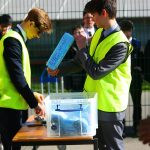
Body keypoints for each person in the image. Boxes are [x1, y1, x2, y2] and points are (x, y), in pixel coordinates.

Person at [47, 0, 133, 149]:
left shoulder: (121, 44)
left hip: (110, 106)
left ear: (104, 13)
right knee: (99, 146)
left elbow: (96, 72)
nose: (91, 19)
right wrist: (58, 70)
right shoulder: (99, 33)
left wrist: (81, 48)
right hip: (93, 102)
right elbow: (81, 62)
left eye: (93, 15)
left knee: (113, 147)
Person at [0, 8, 52, 150]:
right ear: (30, 23)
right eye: (38, 31)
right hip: (8, 107)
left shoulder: (17, 40)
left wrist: (32, 94)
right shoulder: (12, 40)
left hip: (13, 105)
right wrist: (34, 103)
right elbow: (17, 77)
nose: (38, 36)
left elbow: (16, 77)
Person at [119, 20, 144, 136]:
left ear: (131, 31)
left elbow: (142, 59)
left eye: (128, 31)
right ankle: (121, 129)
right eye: (124, 31)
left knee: (137, 104)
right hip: (121, 79)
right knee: (121, 104)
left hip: (135, 78)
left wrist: (140, 71)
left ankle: (137, 128)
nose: (126, 33)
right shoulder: (118, 44)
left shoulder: (137, 44)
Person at [64, 24, 87, 92]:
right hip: (75, 82)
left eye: (82, 32)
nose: (81, 34)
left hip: (86, 79)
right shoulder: (69, 47)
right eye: (78, 32)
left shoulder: (88, 45)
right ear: (73, 35)